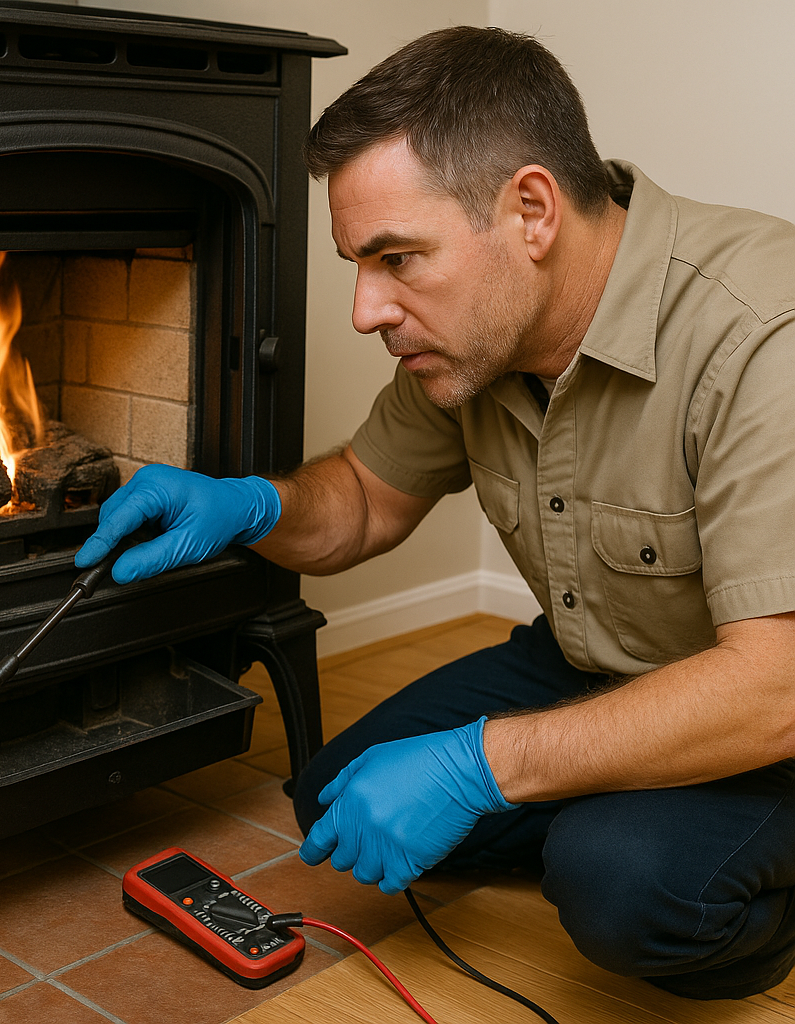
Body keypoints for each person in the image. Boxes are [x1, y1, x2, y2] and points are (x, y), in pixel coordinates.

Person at [76, 26, 795, 1000]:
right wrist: (250, 505)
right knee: (335, 795)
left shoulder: (762, 330)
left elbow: (772, 685)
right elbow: (364, 500)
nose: (366, 310)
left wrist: (479, 766)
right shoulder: (472, 342)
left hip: (769, 696)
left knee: (623, 882)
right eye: (356, 266)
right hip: (604, 659)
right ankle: (612, 788)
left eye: (396, 258)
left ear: (530, 210)